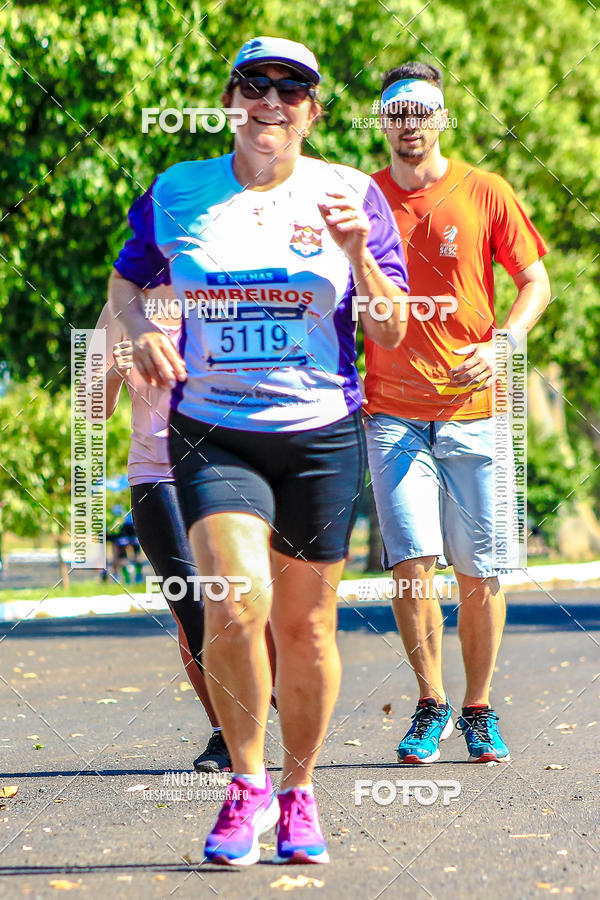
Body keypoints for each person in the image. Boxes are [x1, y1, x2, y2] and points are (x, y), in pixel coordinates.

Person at [109, 36, 408, 866]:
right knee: (233, 603)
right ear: (232, 101)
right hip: (213, 428)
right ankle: (245, 783)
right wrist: (135, 331)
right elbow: (127, 281)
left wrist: (358, 259)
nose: (271, 100)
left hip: (318, 433)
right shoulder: (180, 190)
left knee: (305, 628)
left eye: (291, 90)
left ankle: (300, 789)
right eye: (255, 85)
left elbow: (391, 327)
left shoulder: (350, 193)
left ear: (313, 112)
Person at [364, 61, 551, 765]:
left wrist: (505, 344)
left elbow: (534, 279)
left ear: (441, 118)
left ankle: (478, 707)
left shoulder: (485, 192)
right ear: (383, 122)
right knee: (412, 564)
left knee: (479, 572)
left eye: (422, 111)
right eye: (397, 112)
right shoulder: (364, 198)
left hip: (475, 412)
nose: (410, 124)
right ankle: (430, 702)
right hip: (391, 413)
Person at [89, 295, 232, 773]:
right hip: (154, 473)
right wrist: (113, 371)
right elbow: (89, 409)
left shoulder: (218, 287)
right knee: (189, 602)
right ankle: (226, 731)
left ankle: (261, 697)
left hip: (227, 467)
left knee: (240, 598)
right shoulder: (118, 308)